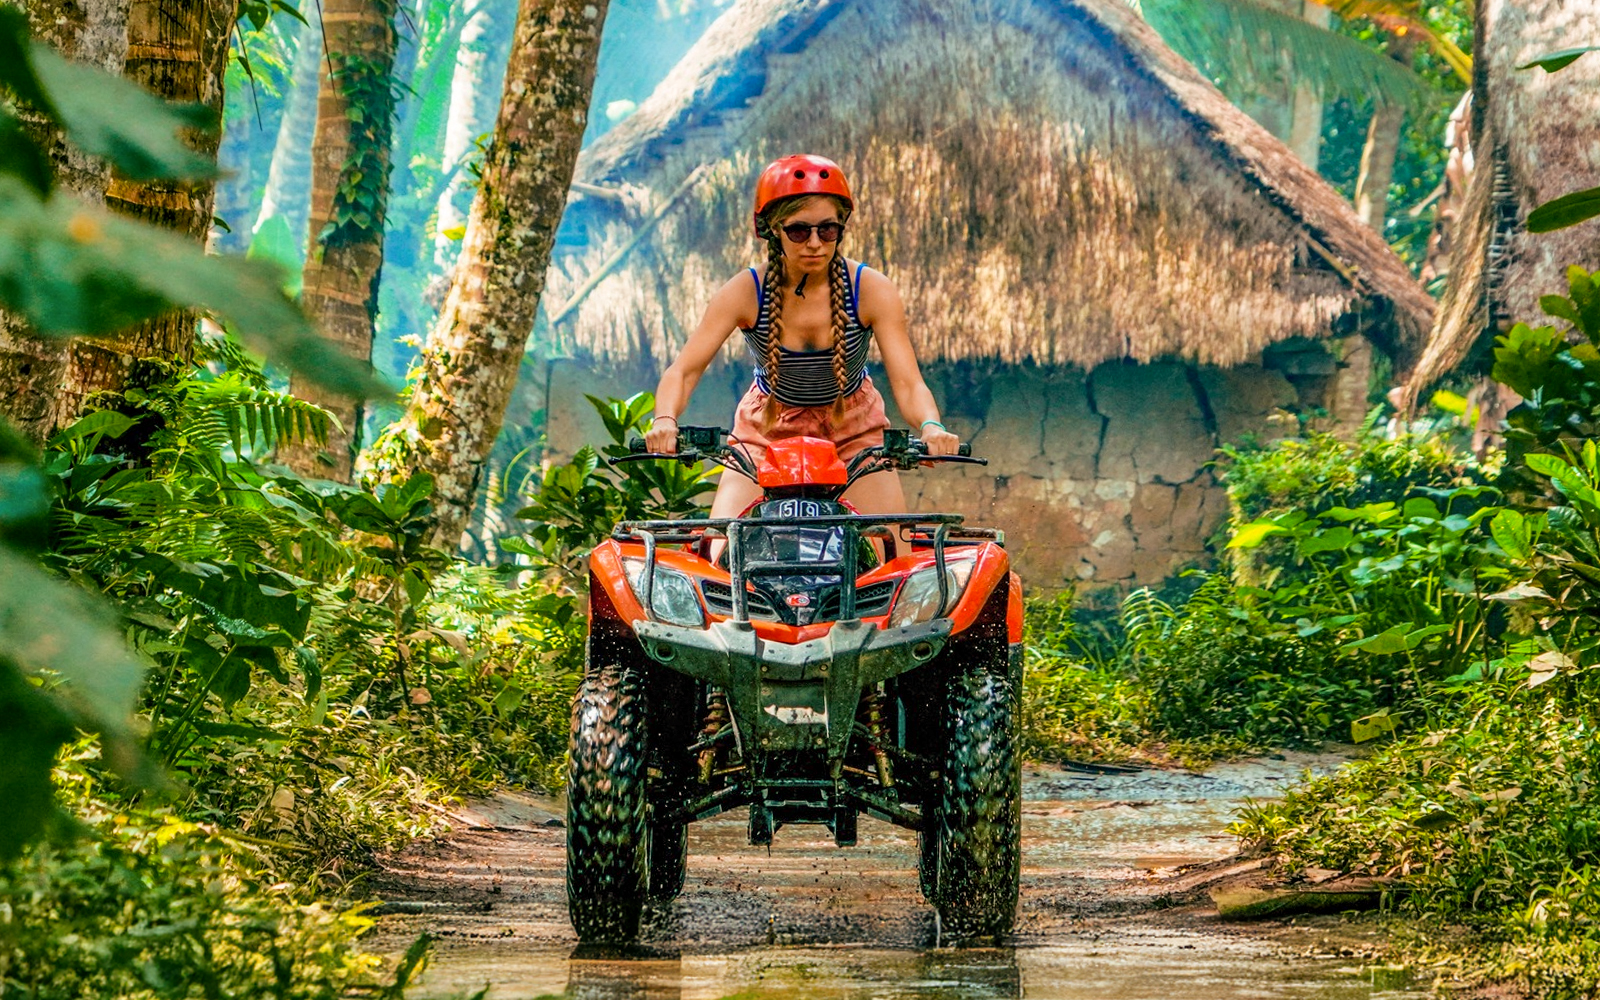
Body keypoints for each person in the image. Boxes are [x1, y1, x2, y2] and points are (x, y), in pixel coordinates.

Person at [644, 154, 959, 545]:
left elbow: (909, 383)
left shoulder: (871, 289)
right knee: (720, 546)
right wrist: (664, 422)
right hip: (766, 430)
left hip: (854, 428)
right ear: (773, 230)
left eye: (828, 230)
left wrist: (931, 426)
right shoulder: (745, 292)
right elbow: (684, 370)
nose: (814, 243)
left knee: (889, 549)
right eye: (798, 231)